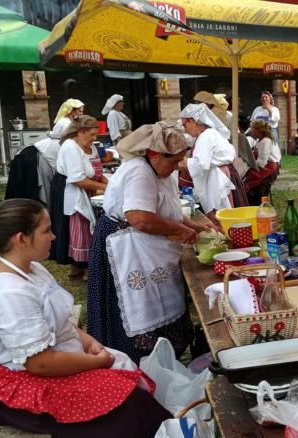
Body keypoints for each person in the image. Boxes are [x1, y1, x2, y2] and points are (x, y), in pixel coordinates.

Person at [0, 199, 171, 437]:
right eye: (46, 231)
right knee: (128, 402)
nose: (54, 236)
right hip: (12, 381)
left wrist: (89, 343)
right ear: (21, 239)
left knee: (129, 384)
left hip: (42, 361)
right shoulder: (7, 293)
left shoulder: (31, 268)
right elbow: (40, 363)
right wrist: (98, 362)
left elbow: (61, 322)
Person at [87, 123, 213, 363]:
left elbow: (167, 208)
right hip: (128, 252)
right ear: (155, 154)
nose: (177, 167)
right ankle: (138, 362)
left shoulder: (160, 170)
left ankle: (165, 361)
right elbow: (140, 218)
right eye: (174, 161)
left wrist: (194, 226)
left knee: (162, 300)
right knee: (140, 309)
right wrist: (179, 229)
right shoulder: (139, 171)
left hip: (146, 249)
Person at [50, 116, 107, 280]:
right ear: (81, 131)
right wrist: (105, 188)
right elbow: (77, 180)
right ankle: (86, 269)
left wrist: (111, 184)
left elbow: (97, 172)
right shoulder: (70, 147)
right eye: (92, 134)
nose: (95, 138)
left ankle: (77, 269)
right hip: (72, 190)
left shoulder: (91, 147)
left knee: (88, 227)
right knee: (81, 227)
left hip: (88, 187)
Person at [179, 103, 246, 219]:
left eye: (185, 124)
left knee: (223, 216)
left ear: (194, 121)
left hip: (220, 179)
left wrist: (181, 161)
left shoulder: (206, 136)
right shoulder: (210, 134)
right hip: (223, 176)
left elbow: (200, 164)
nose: (185, 129)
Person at [244, 120, 281, 205]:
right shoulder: (260, 140)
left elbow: (262, 162)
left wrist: (249, 165)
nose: (251, 130)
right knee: (245, 175)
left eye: (253, 128)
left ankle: (251, 200)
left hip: (268, 168)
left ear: (258, 130)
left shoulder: (265, 141)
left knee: (247, 178)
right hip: (266, 166)